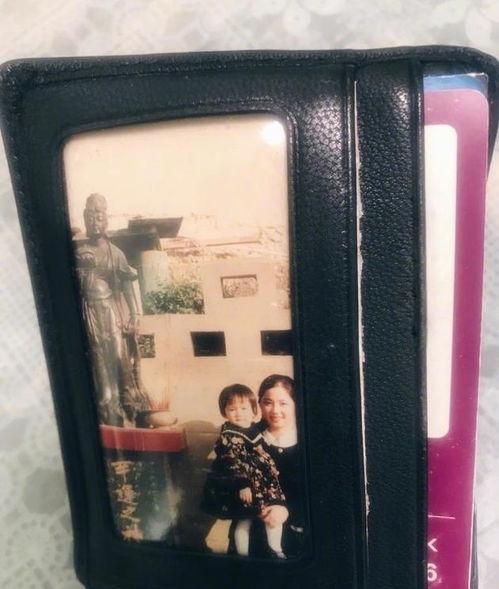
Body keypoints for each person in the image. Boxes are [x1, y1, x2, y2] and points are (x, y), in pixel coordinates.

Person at [74, 193, 148, 426]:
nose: (95, 222)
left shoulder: (115, 253)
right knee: (98, 363)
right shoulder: (80, 253)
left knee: (119, 359)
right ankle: (107, 411)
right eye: (90, 217)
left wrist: (134, 315)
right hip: (89, 313)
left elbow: (127, 287)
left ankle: (128, 411)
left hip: (111, 313)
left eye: (99, 217)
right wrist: (84, 270)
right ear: (85, 218)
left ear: (106, 219)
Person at [201, 384, 286, 558]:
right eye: (232, 409)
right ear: (224, 412)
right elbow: (231, 462)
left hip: (263, 485)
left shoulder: (253, 429)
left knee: (271, 516)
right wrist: (242, 484)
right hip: (244, 486)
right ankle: (243, 555)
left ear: (254, 410)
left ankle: (276, 549)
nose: (238, 413)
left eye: (244, 408)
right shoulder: (229, 436)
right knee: (244, 521)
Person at [228, 374, 304, 559]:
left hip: (294, 538)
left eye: (283, 403)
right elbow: (226, 477)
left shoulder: (307, 441)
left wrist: (287, 511)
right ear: (259, 405)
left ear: (296, 404)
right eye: (268, 403)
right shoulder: (245, 438)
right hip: (249, 538)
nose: (275, 410)